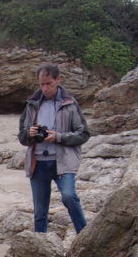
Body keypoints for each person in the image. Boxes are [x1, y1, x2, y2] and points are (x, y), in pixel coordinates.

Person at [17, 63, 90, 234]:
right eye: (41, 84)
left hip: (62, 160)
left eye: (48, 83)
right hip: (38, 162)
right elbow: (22, 137)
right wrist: (30, 133)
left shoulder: (70, 104)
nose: (45, 88)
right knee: (40, 210)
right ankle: (40, 243)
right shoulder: (32, 105)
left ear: (58, 80)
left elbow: (84, 134)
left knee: (69, 197)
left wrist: (59, 137)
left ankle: (84, 235)